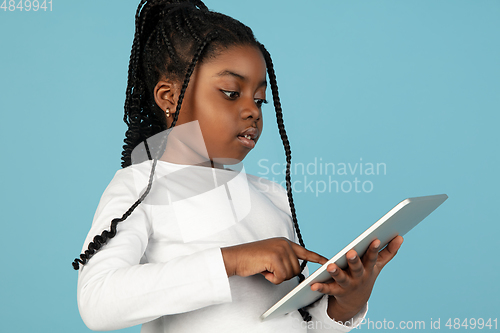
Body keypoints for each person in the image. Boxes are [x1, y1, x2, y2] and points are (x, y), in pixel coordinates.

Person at [73, 1, 404, 332]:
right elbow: (98, 301)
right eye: (232, 93)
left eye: (259, 99)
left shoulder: (270, 195)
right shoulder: (141, 187)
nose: (253, 111)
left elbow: (294, 323)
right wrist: (231, 260)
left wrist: (345, 305)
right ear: (170, 97)